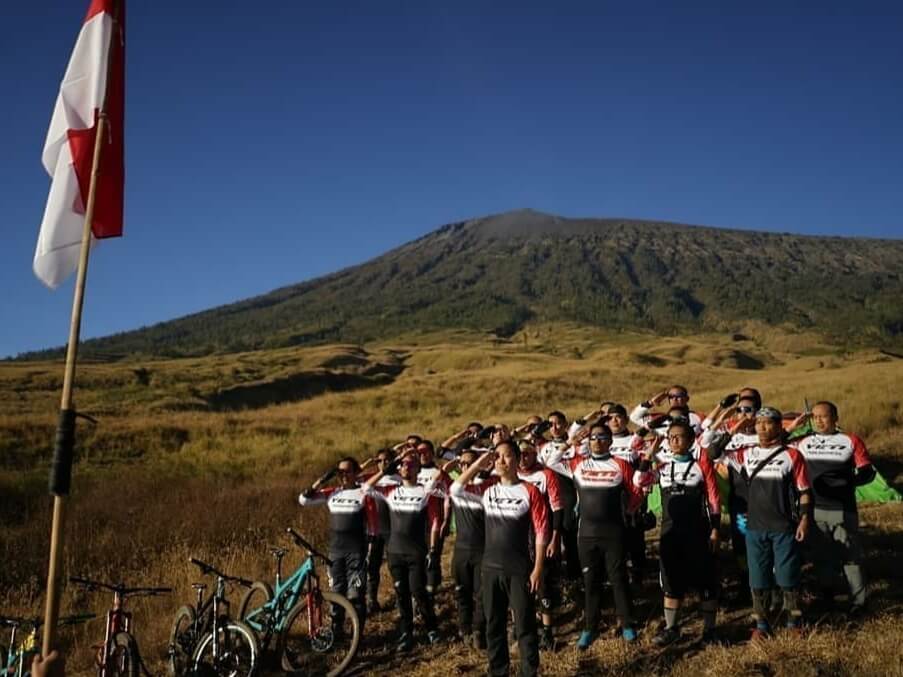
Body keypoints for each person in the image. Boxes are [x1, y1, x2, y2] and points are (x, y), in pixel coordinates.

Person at [708, 407, 812, 638]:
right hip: (754, 527)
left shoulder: (792, 455)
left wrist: (804, 520)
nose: (762, 428)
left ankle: (793, 621)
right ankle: (761, 625)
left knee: (787, 576)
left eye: (768, 423)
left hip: (784, 526)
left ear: (778, 426)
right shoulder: (747, 454)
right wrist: (733, 429)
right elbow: (713, 452)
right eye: (758, 423)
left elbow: (804, 490)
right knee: (758, 577)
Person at [452, 441, 549, 677]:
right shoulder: (487, 491)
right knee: (493, 625)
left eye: (507, 456)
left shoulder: (530, 491)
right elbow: (455, 489)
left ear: (516, 459)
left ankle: (530, 672)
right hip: (490, 568)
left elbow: (541, 532)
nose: (501, 461)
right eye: (497, 457)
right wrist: (477, 464)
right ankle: (498, 671)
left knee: (525, 625)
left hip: (519, 568)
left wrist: (537, 568)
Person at [546, 423, 643, 648]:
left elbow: (636, 491)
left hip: (614, 533)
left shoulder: (621, 464)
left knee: (619, 579)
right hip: (586, 535)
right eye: (593, 437)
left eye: (602, 437)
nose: (597, 440)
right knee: (591, 582)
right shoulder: (578, 464)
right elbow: (550, 462)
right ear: (588, 442)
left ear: (610, 441)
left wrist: (630, 511)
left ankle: (628, 624)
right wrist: (571, 442)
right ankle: (590, 628)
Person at [637, 421, 721, 645]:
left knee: (706, 583)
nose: (674, 440)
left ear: (691, 440)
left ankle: (710, 631)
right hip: (670, 534)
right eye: (670, 436)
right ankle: (672, 628)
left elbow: (713, 499)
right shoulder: (662, 467)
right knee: (671, 584)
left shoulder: (701, 466)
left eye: (679, 436)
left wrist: (715, 529)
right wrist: (648, 456)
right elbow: (639, 480)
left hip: (698, 533)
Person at [795, 401, 875, 611]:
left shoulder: (850, 440)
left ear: (835, 418)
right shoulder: (803, 441)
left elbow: (867, 471)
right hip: (814, 509)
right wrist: (796, 425)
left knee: (850, 558)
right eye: (815, 417)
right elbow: (777, 445)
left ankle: (859, 602)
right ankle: (827, 597)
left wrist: (847, 482)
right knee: (822, 557)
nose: (819, 421)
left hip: (843, 509)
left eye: (824, 416)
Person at [364, 451, 443, 651]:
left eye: (411, 464)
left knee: (418, 591)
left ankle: (431, 628)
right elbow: (366, 488)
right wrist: (386, 470)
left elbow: (435, 522)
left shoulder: (425, 492)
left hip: (416, 551)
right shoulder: (391, 490)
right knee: (402, 593)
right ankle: (406, 631)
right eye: (403, 465)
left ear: (418, 469)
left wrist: (433, 550)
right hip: (395, 552)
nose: (406, 467)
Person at [299, 456, 378, 630]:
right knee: (337, 593)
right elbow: (304, 500)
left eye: (347, 471)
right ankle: (337, 630)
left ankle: (358, 633)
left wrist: (370, 551)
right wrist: (322, 480)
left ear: (356, 473)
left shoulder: (364, 493)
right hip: (335, 553)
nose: (343, 475)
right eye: (340, 472)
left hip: (356, 552)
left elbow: (373, 526)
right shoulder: (332, 492)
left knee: (356, 595)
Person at [517, 439, 564, 650]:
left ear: (535, 454)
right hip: (517, 536)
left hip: (541, 534)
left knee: (543, 583)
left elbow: (557, 509)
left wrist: (555, 537)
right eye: (519, 454)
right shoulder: (510, 476)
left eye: (527, 453)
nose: (522, 458)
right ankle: (522, 628)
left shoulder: (546, 474)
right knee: (519, 584)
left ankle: (548, 633)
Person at [443, 449, 491, 648]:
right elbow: (455, 486)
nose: (465, 467)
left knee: (482, 594)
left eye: (470, 463)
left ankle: (479, 630)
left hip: (483, 550)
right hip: (461, 550)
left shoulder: (488, 488)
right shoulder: (457, 489)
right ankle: (464, 629)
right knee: (462, 593)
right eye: (462, 464)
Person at [536, 411, 581, 583]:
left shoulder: (576, 443)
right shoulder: (544, 447)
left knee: (569, 536)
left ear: (565, 424)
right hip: (550, 495)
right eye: (550, 424)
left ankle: (574, 577)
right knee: (550, 538)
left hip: (569, 492)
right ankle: (553, 576)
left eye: (558, 423)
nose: (554, 428)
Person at [359, 448, 401, 613]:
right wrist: (366, 465)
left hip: (393, 530)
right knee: (372, 567)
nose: (383, 464)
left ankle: (400, 597)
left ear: (392, 461)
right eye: (379, 461)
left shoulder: (399, 479)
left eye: (386, 460)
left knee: (395, 566)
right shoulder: (370, 479)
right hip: (374, 530)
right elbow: (351, 478)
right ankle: (371, 600)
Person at [416, 440, 453, 597]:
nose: (422, 455)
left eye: (425, 452)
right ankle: (423, 584)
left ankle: (432, 586)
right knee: (419, 554)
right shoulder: (411, 470)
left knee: (433, 554)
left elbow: (449, 496)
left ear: (432, 453)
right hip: (417, 519)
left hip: (436, 519)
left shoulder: (439, 472)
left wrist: (447, 519)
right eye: (419, 453)